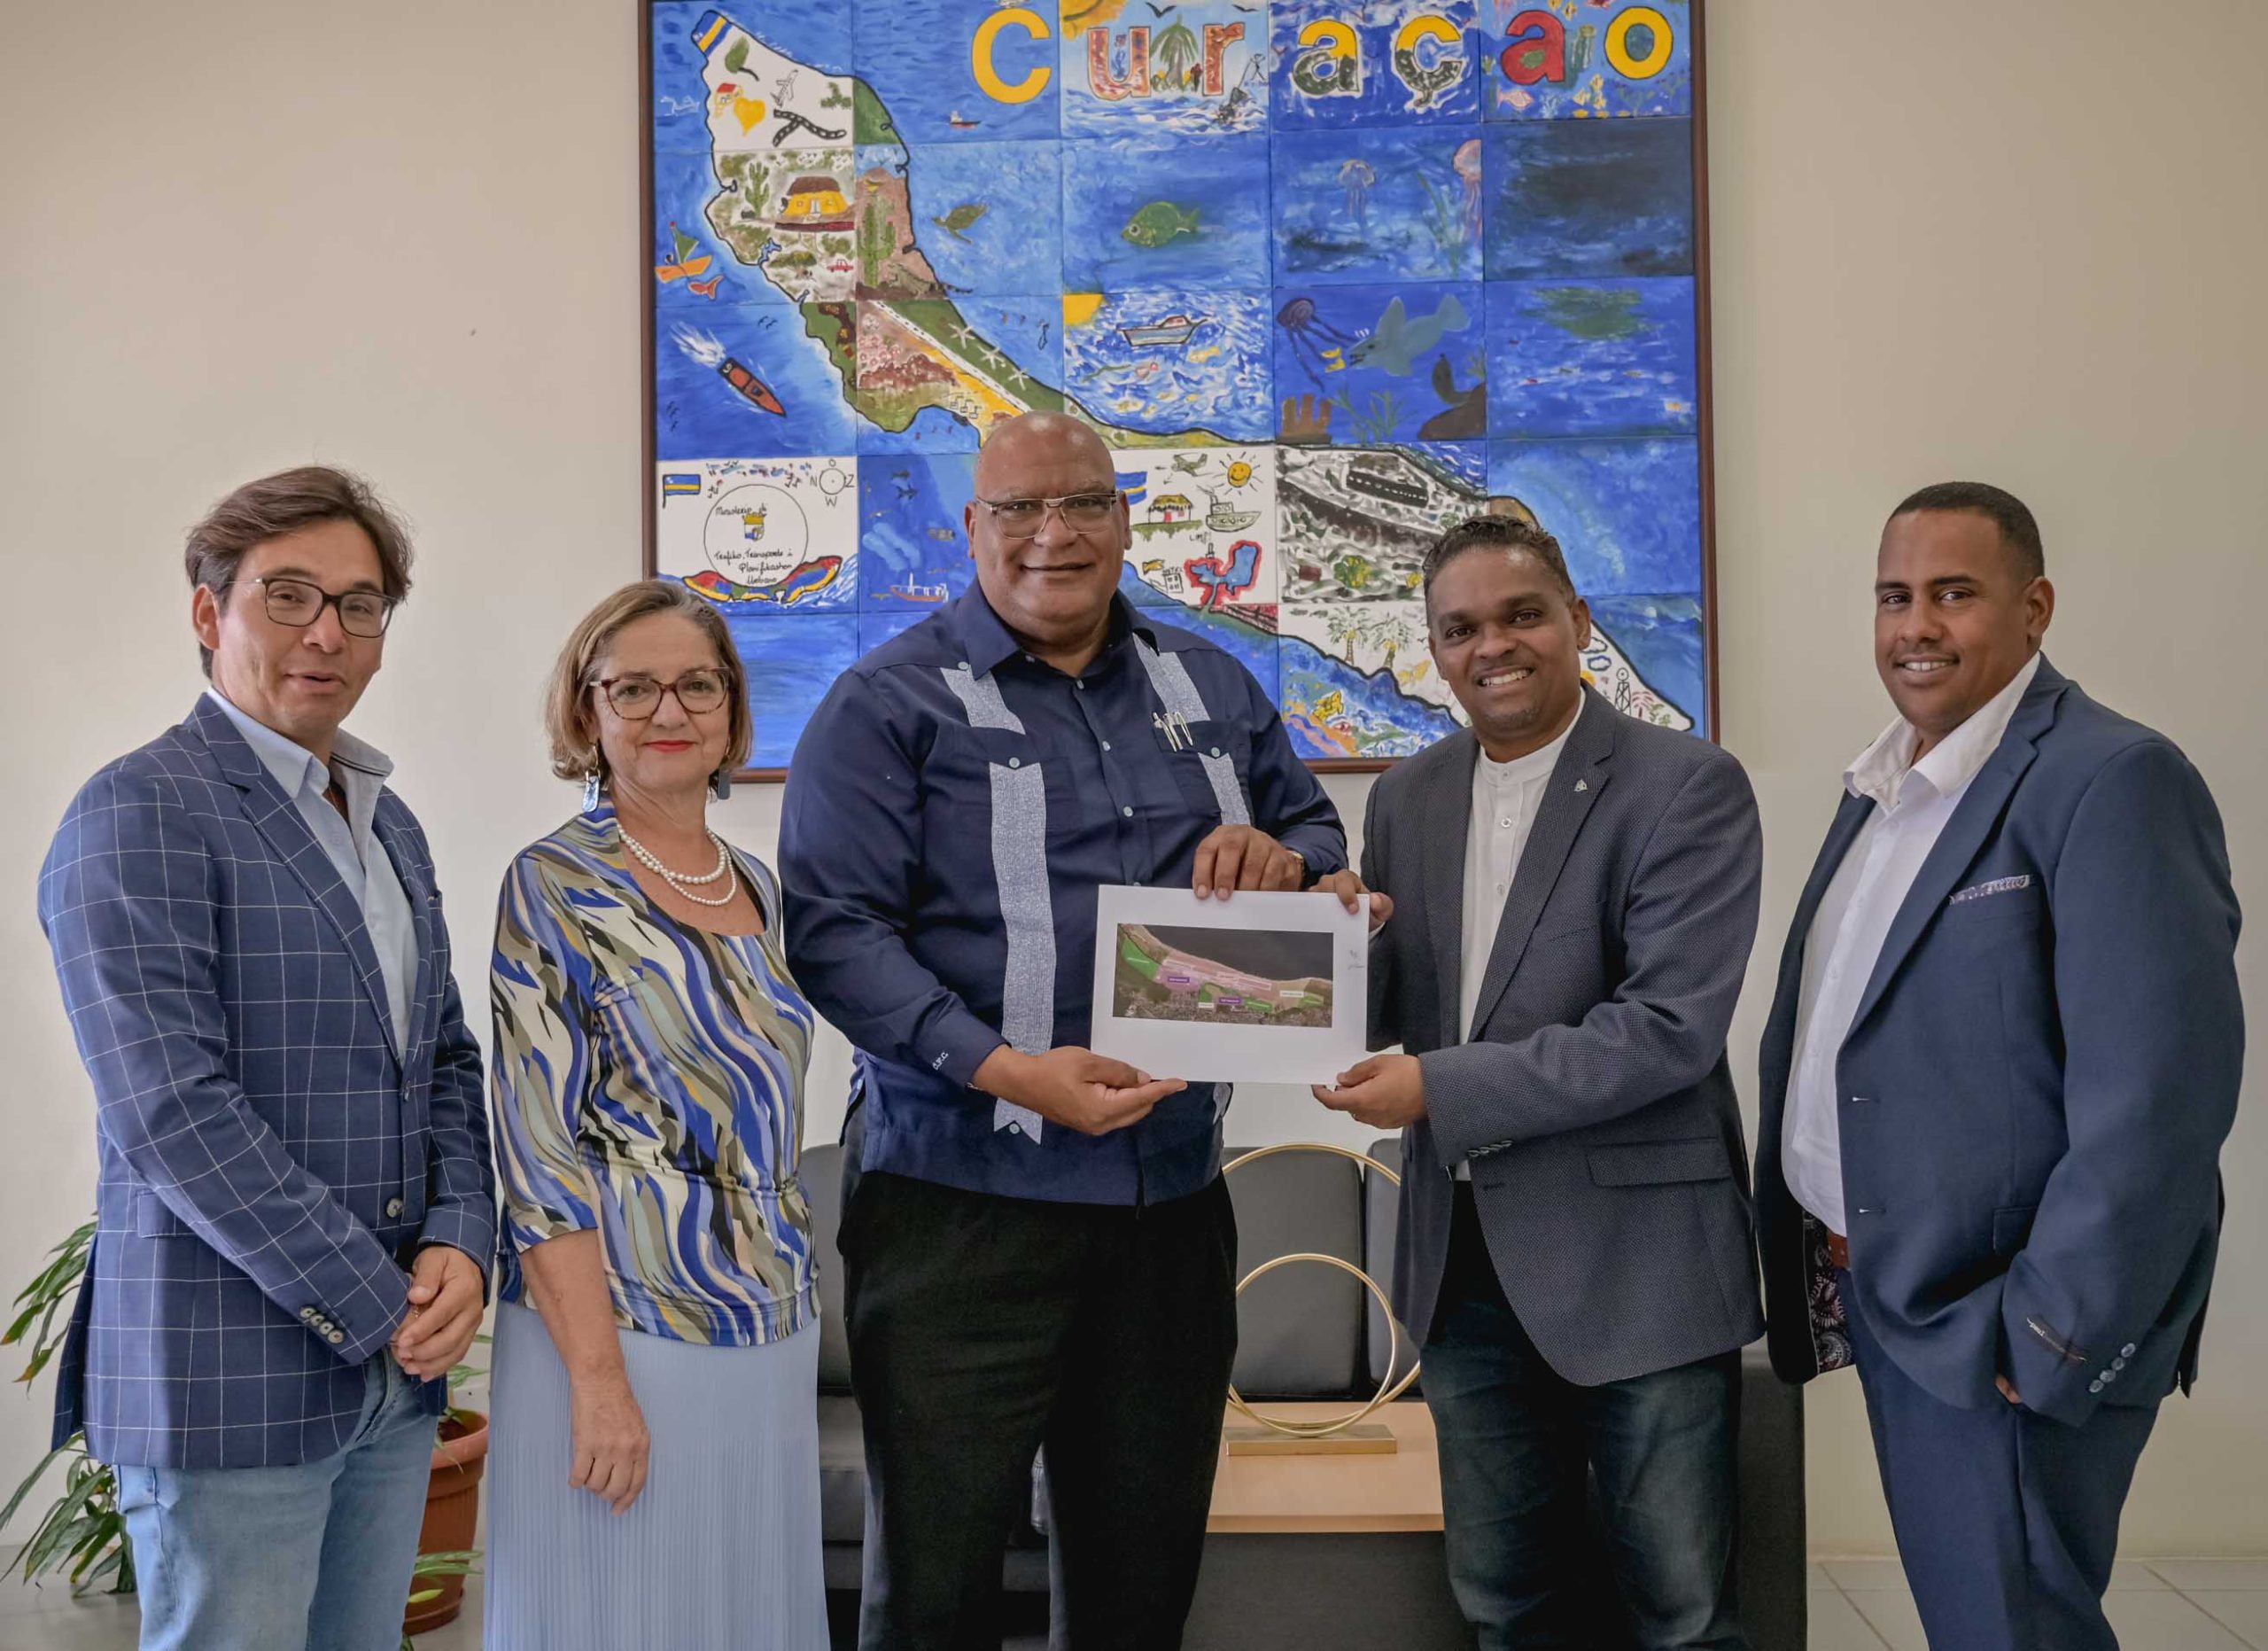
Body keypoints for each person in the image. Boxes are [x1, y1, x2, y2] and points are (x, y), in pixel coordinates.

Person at [779, 411, 1348, 1649]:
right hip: (957, 1207)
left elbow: (1314, 832)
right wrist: (1007, 1071)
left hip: (1168, 1205)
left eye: (1084, 502)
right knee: (935, 1596)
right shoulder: (884, 702)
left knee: (1139, 1588)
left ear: (1124, 519)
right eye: (1020, 508)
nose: (1055, 533)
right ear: (971, 527)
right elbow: (832, 932)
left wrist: (1289, 860)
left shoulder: (1212, 683)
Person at [1753, 483, 2242, 1651]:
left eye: (1954, 593)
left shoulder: (2111, 777)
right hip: (1892, 1299)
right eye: (1894, 597)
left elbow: (2157, 1103)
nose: (1915, 626)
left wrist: (2052, 1332)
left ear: (2035, 608)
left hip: (2000, 1324)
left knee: (2012, 1627)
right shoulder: (1887, 784)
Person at [35, 466, 495, 1651]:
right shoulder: (138, 809)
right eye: (288, 595)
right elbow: (171, 1109)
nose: (326, 632)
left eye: (359, 603)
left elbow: (443, 1056)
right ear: (210, 611)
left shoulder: (388, 822)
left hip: (393, 1376)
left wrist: (460, 1236)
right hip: (228, 1375)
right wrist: (381, 1299)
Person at [1312, 515, 1761, 1650]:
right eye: (1459, 629)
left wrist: (1436, 1090)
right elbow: (1403, 1014)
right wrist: (1338, 947)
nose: (1492, 647)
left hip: (1639, 1269)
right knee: (1505, 1606)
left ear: (1578, 621)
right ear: (1432, 649)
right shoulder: (1406, 797)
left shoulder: (1687, 784)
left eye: (1521, 616)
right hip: (1461, 1270)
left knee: (1683, 1617)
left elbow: (1665, 1031)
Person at [484, 580, 826, 1649]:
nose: (667, 711)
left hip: (769, 1316)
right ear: (587, 711)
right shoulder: (553, 883)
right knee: (622, 1613)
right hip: (624, 1327)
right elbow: (537, 1157)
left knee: (746, 1611)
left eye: (696, 686)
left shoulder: (759, 886)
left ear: (731, 710)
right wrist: (598, 1383)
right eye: (632, 688)